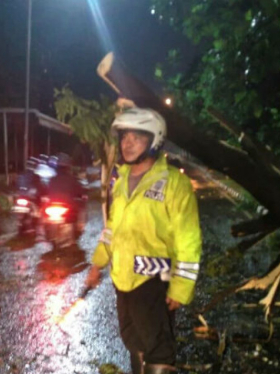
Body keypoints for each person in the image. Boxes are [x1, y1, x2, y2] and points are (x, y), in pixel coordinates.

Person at [84, 108, 202, 374]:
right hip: (123, 279)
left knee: (158, 348)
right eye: (125, 137)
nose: (127, 143)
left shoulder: (174, 184)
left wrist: (181, 287)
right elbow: (112, 229)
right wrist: (97, 265)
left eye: (137, 137)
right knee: (132, 341)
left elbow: (189, 240)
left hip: (153, 280)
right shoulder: (121, 182)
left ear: (154, 141)